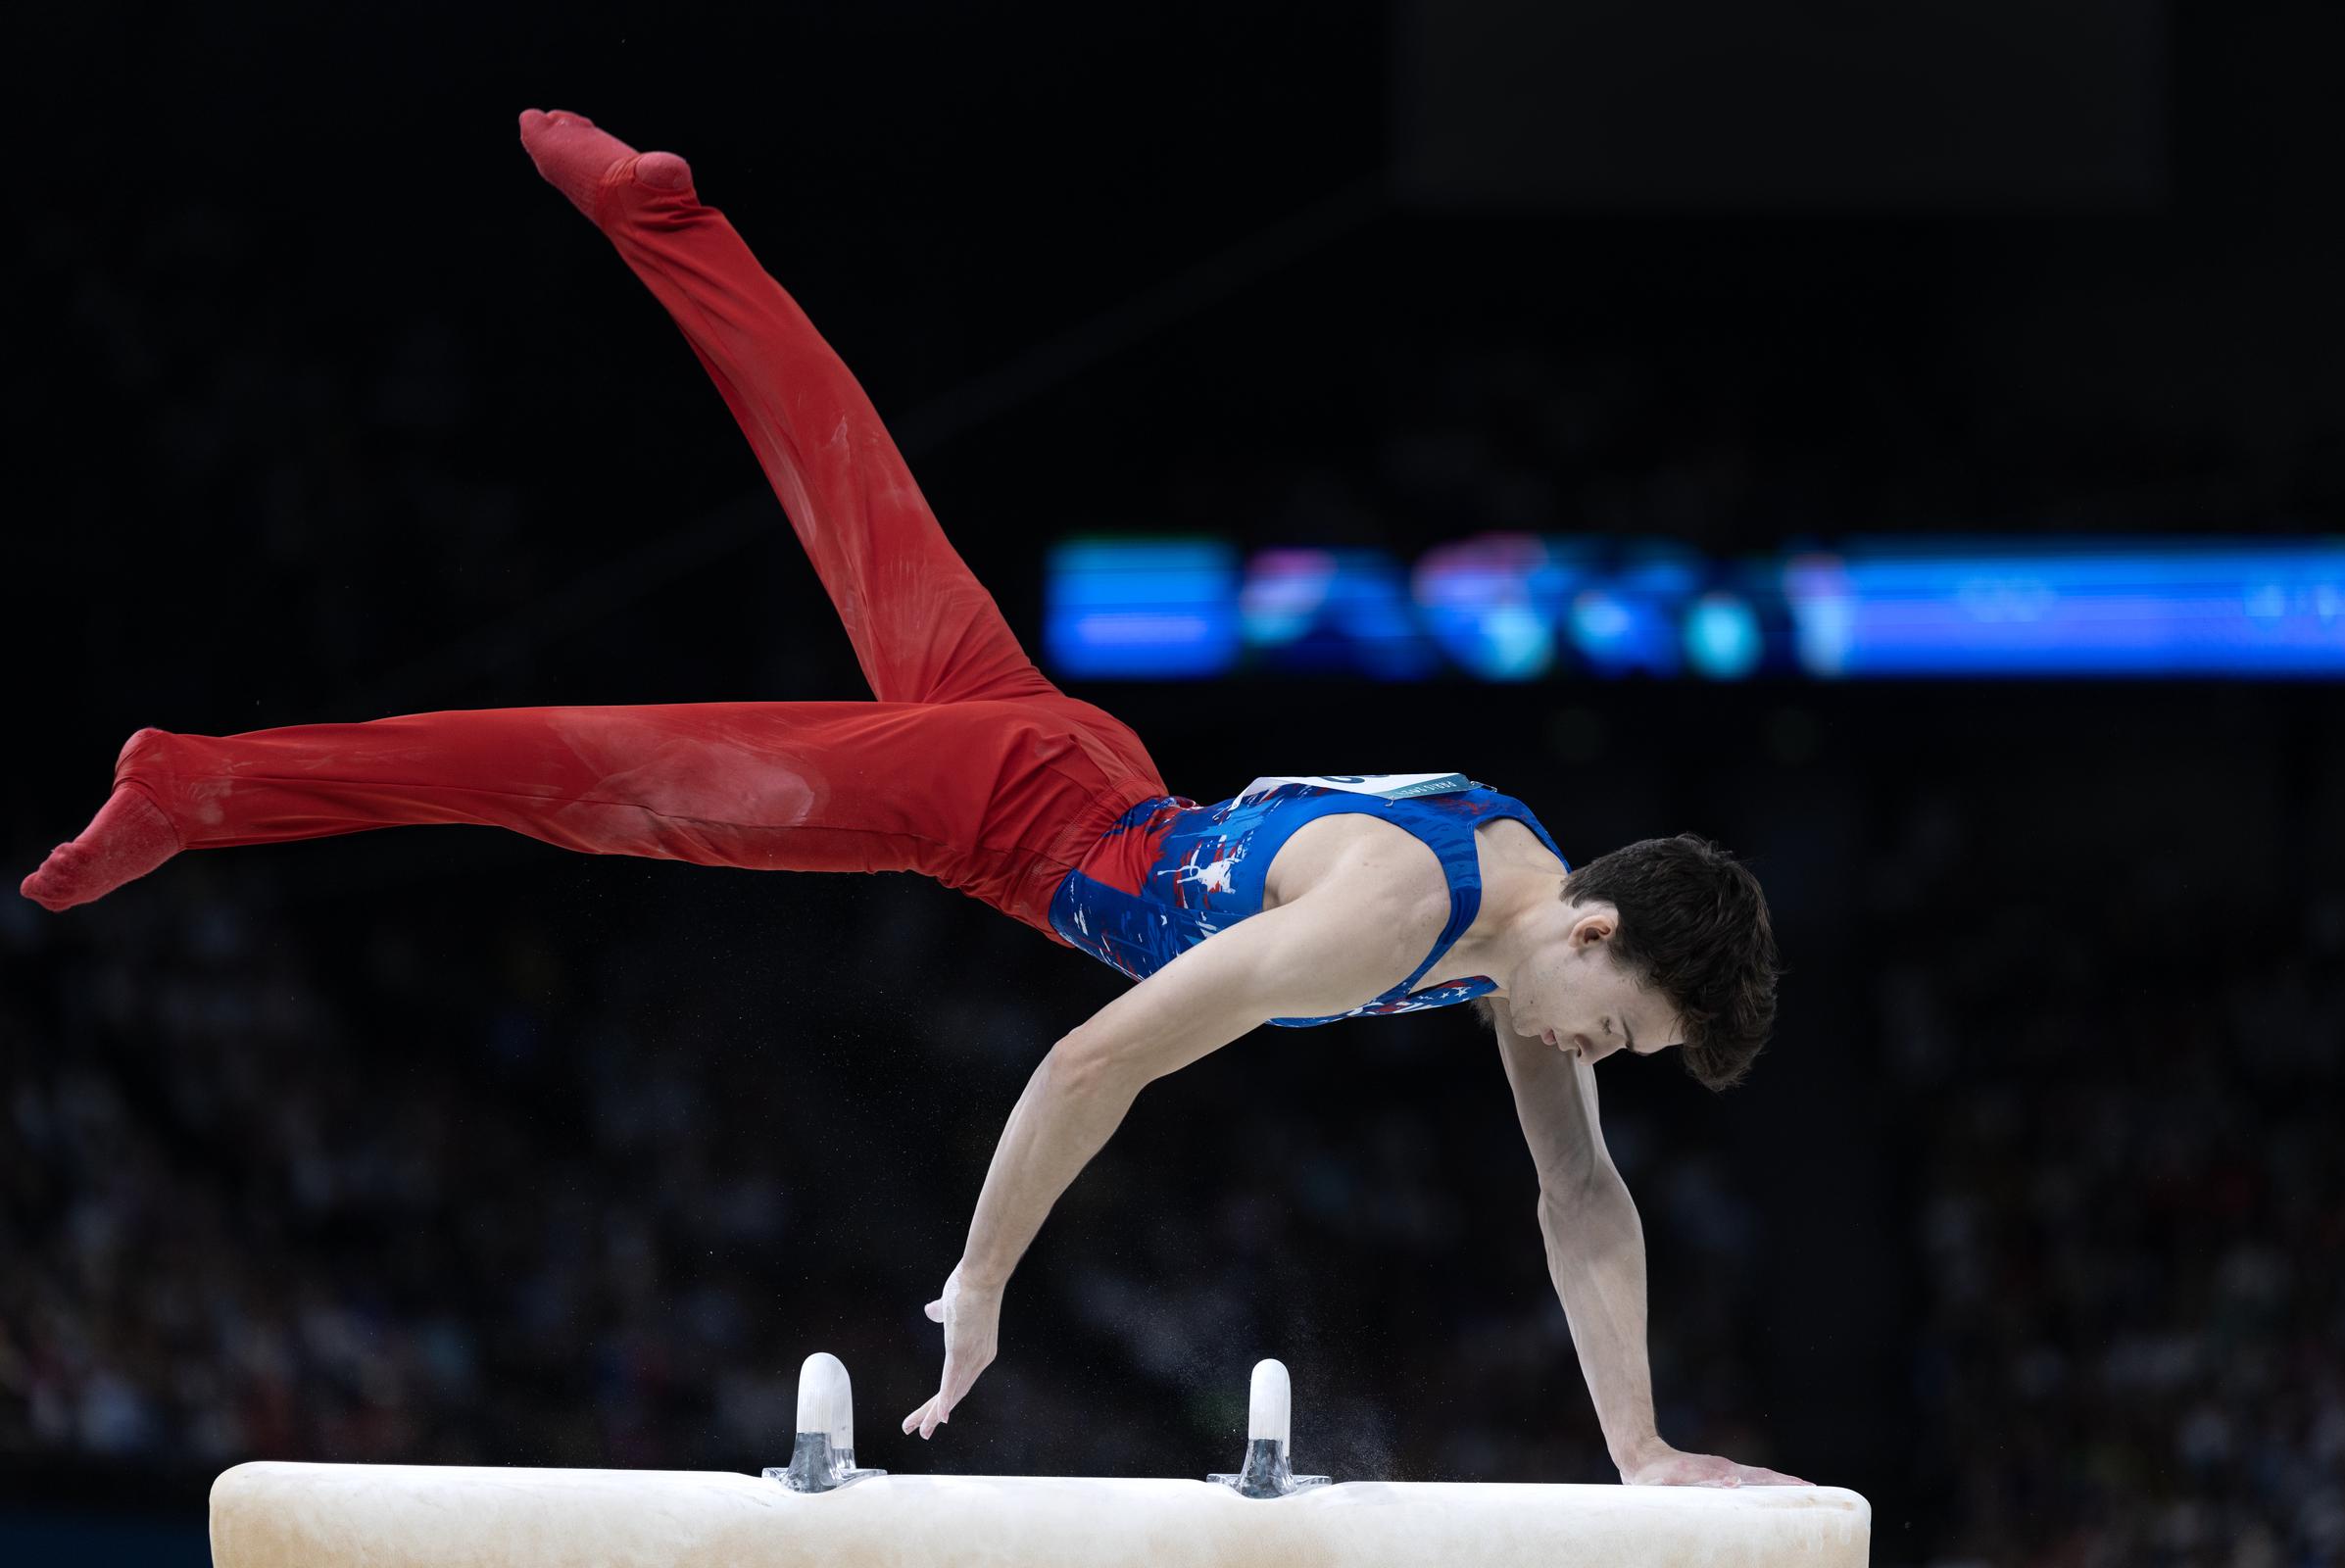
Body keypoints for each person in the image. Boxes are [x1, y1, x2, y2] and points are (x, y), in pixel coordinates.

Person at [21, 110, 1799, 1488]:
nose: (1589, 1063)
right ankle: (201, 788)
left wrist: (1639, 1447)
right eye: (1613, 1031)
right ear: (1594, 927)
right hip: (998, 812)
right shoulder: (1397, 918)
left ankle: (664, 215)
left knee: (837, 463)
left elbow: (1583, 1204)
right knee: (580, 775)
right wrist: (979, 1291)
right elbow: (1089, 1061)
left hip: (1080, 767)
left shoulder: (1521, 912)